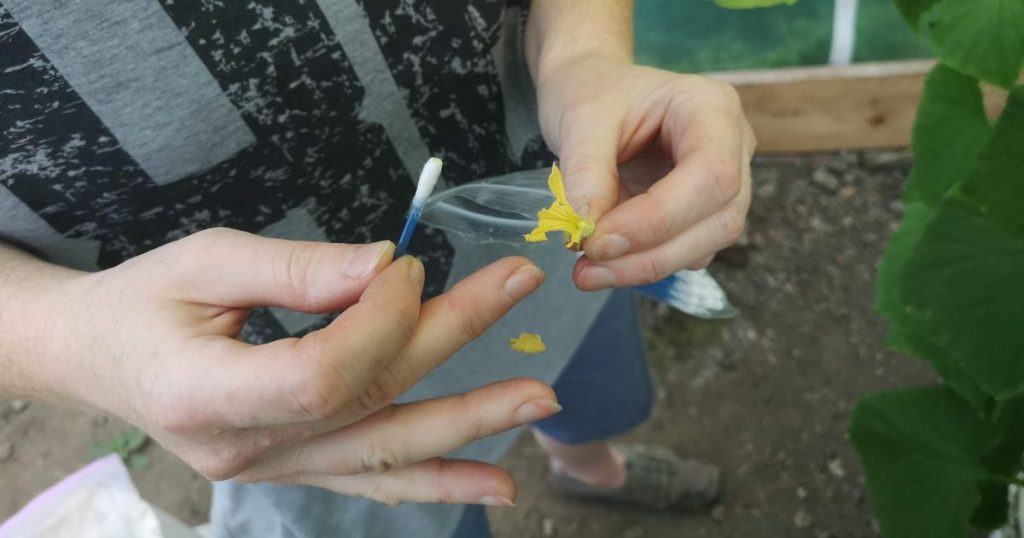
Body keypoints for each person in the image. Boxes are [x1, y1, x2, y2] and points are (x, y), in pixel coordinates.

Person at [0, 0, 753, 536]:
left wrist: (582, 54)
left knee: (578, 389)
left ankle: (589, 467)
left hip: (554, 258)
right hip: (298, 407)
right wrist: (85, 345)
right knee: (422, 504)